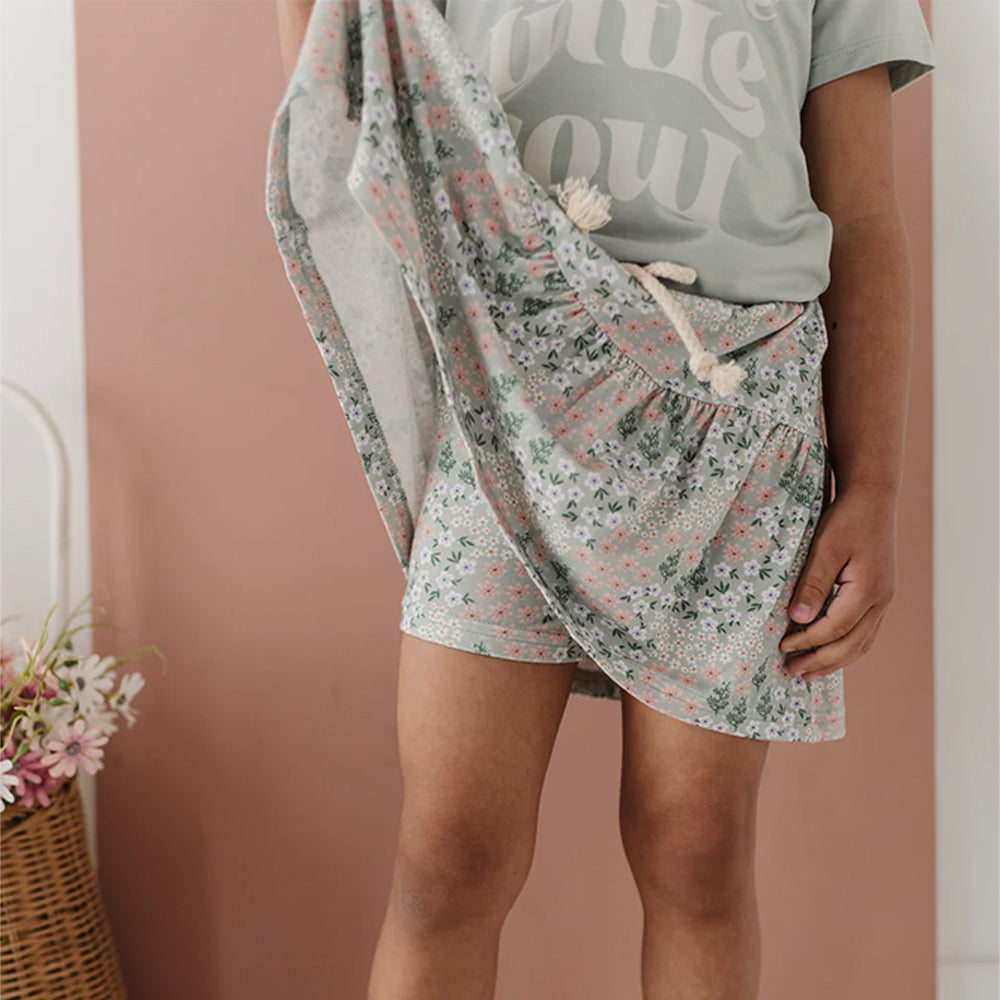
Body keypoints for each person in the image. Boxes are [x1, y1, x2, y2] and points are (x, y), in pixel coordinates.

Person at [273, 2, 934, 998]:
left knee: (695, 852)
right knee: (449, 855)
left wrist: (874, 482)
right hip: (508, 394)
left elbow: (868, 220)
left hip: (736, 421)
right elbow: (357, 89)